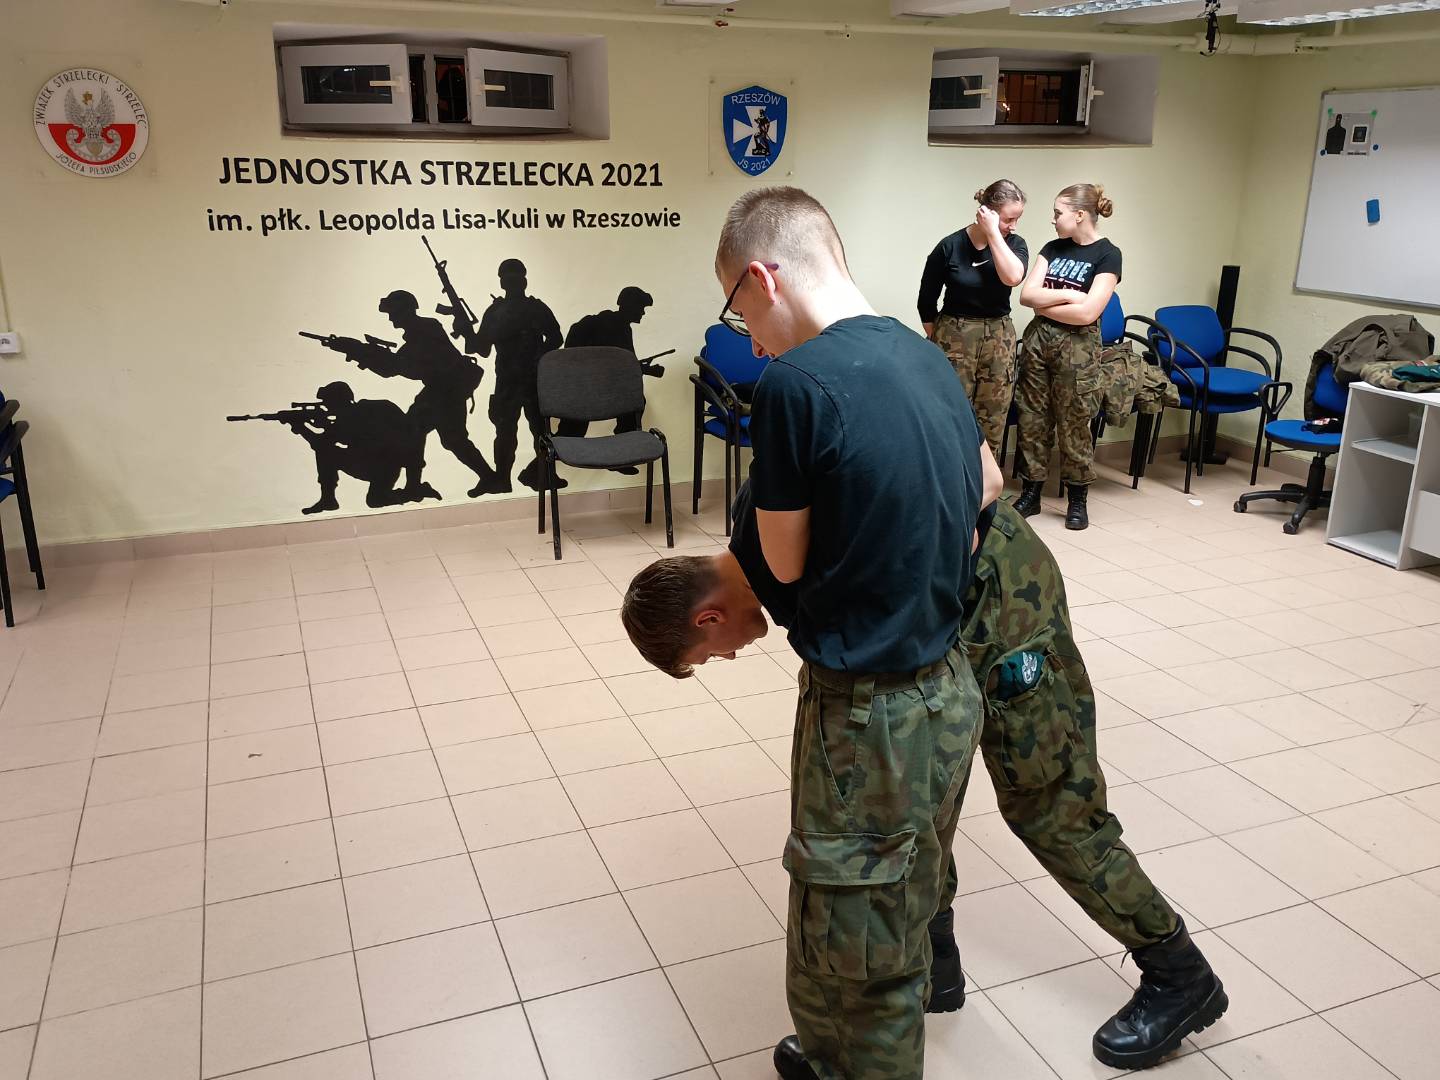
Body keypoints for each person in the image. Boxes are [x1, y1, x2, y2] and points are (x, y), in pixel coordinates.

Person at [621, 481, 1229, 1073]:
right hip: (941, 606)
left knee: (1049, 805)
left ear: (707, 618)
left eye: (711, 654)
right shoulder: (763, 530)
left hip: (999, 594)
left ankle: (1179, 973)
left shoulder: (781, 545)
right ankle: (935, 965)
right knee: (920, 786)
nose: (729, 656)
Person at [703, 186, 992, 1080]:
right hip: (946, 690)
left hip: (868, 714)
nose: (752, 339)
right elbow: (983, 495)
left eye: (740, 311)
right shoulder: (925, 354)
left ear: (764, 277)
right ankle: (829, 1055)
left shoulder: (794, 384)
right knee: (899, 901)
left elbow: (784, 564)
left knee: (861, 947)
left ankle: (853, 1059)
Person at [1014, 183, 1122, 531]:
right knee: (1032, 418)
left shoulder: (1108, 254)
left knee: (1074, 422)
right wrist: (1071, 296)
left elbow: (1088, 313)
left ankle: (1077, 499)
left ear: (1079, 215)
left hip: (1078, 348)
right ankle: (1031, 492)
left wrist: (1049, 303)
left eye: (1058, 213)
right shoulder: (1052, 248)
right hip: (1038, 342)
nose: (1053, 219)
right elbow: (1027, 296)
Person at [918, 179, 1029, 453]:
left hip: (999, 335)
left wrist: (994, 234)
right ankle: (952, 475)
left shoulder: (1015, 244)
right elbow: (926, 300)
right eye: (1009, 219)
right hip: (954, 332)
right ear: (987, 212)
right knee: (950, 409)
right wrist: (941, 338)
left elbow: (1013, 277)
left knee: (993, 413)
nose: (1014, 226)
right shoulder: (950, 246)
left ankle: (986, 478)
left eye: (1017, 219)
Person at [363, 289, 503, 497]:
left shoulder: (426, 328)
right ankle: (414, 485)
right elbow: (393, 368)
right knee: (415, 430)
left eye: (393, 312)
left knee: (451, 439)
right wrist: (364, 356)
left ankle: (490, 478)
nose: (390, 317)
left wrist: (370, 356)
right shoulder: (417, 333)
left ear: (404, 311)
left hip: (448, 390)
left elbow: (407, 367)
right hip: (438, 390)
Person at [474, 259, 564, 491]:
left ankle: (543, 476)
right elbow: (482, 348)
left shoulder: (535, 308)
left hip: (533, 381)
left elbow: (556, 337)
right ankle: (502, 479)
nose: (513, 281)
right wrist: (466, 330)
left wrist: (539, 356)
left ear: (524, 280)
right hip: (507, 382)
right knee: (505, 433)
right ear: (502, 282)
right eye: (508, 277)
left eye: (516, 276)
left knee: (541, 432)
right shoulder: (495, 311)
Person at [288, 382, 440, 514]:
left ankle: (328, 499)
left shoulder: (367, 412)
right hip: (377, 466)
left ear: (338, 401)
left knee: (375, 499)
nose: (328, 408)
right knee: (375, 500)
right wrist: (308, 427)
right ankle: (328, 499)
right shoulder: (358, 414)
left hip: (381, 466)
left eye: (329, 403)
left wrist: (302, 428)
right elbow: (325, 443)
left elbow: (321, 444)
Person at [557, 287, 656, 472]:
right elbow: (620, 365)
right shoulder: (615, 328)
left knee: (570, 433)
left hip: (590, 387)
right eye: (641, 307)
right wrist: (646, 369)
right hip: (588, 390)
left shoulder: (614, 325)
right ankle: (622, 456)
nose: (642, 312)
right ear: (629, 305)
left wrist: (644, 368)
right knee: (570, 435)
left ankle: (622, 458)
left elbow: (625, 363)